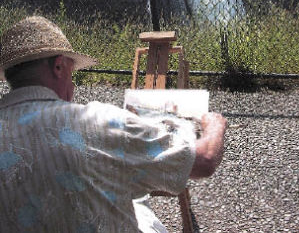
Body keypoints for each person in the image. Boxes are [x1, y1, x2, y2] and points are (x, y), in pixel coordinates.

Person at [0, 16, 227, 232]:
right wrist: (215, 125)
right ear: (58, 67)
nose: (73, 85)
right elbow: (203, 159)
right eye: (71, 73)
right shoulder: (95, 123)